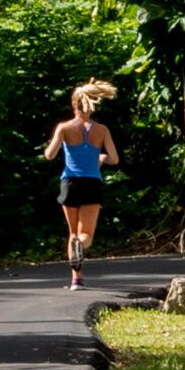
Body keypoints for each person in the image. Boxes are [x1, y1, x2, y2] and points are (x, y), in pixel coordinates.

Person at [43, 79, 120, 290]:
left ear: (73, 105)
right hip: (92, 182)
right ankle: (81, 245)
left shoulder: (64, 127)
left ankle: (76, 280)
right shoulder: (102, 130)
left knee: (72, 232)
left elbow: (49, 155)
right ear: (91, 105)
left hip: (69, 182)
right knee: (86, 235)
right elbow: (114, 158)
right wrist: (101, 158)